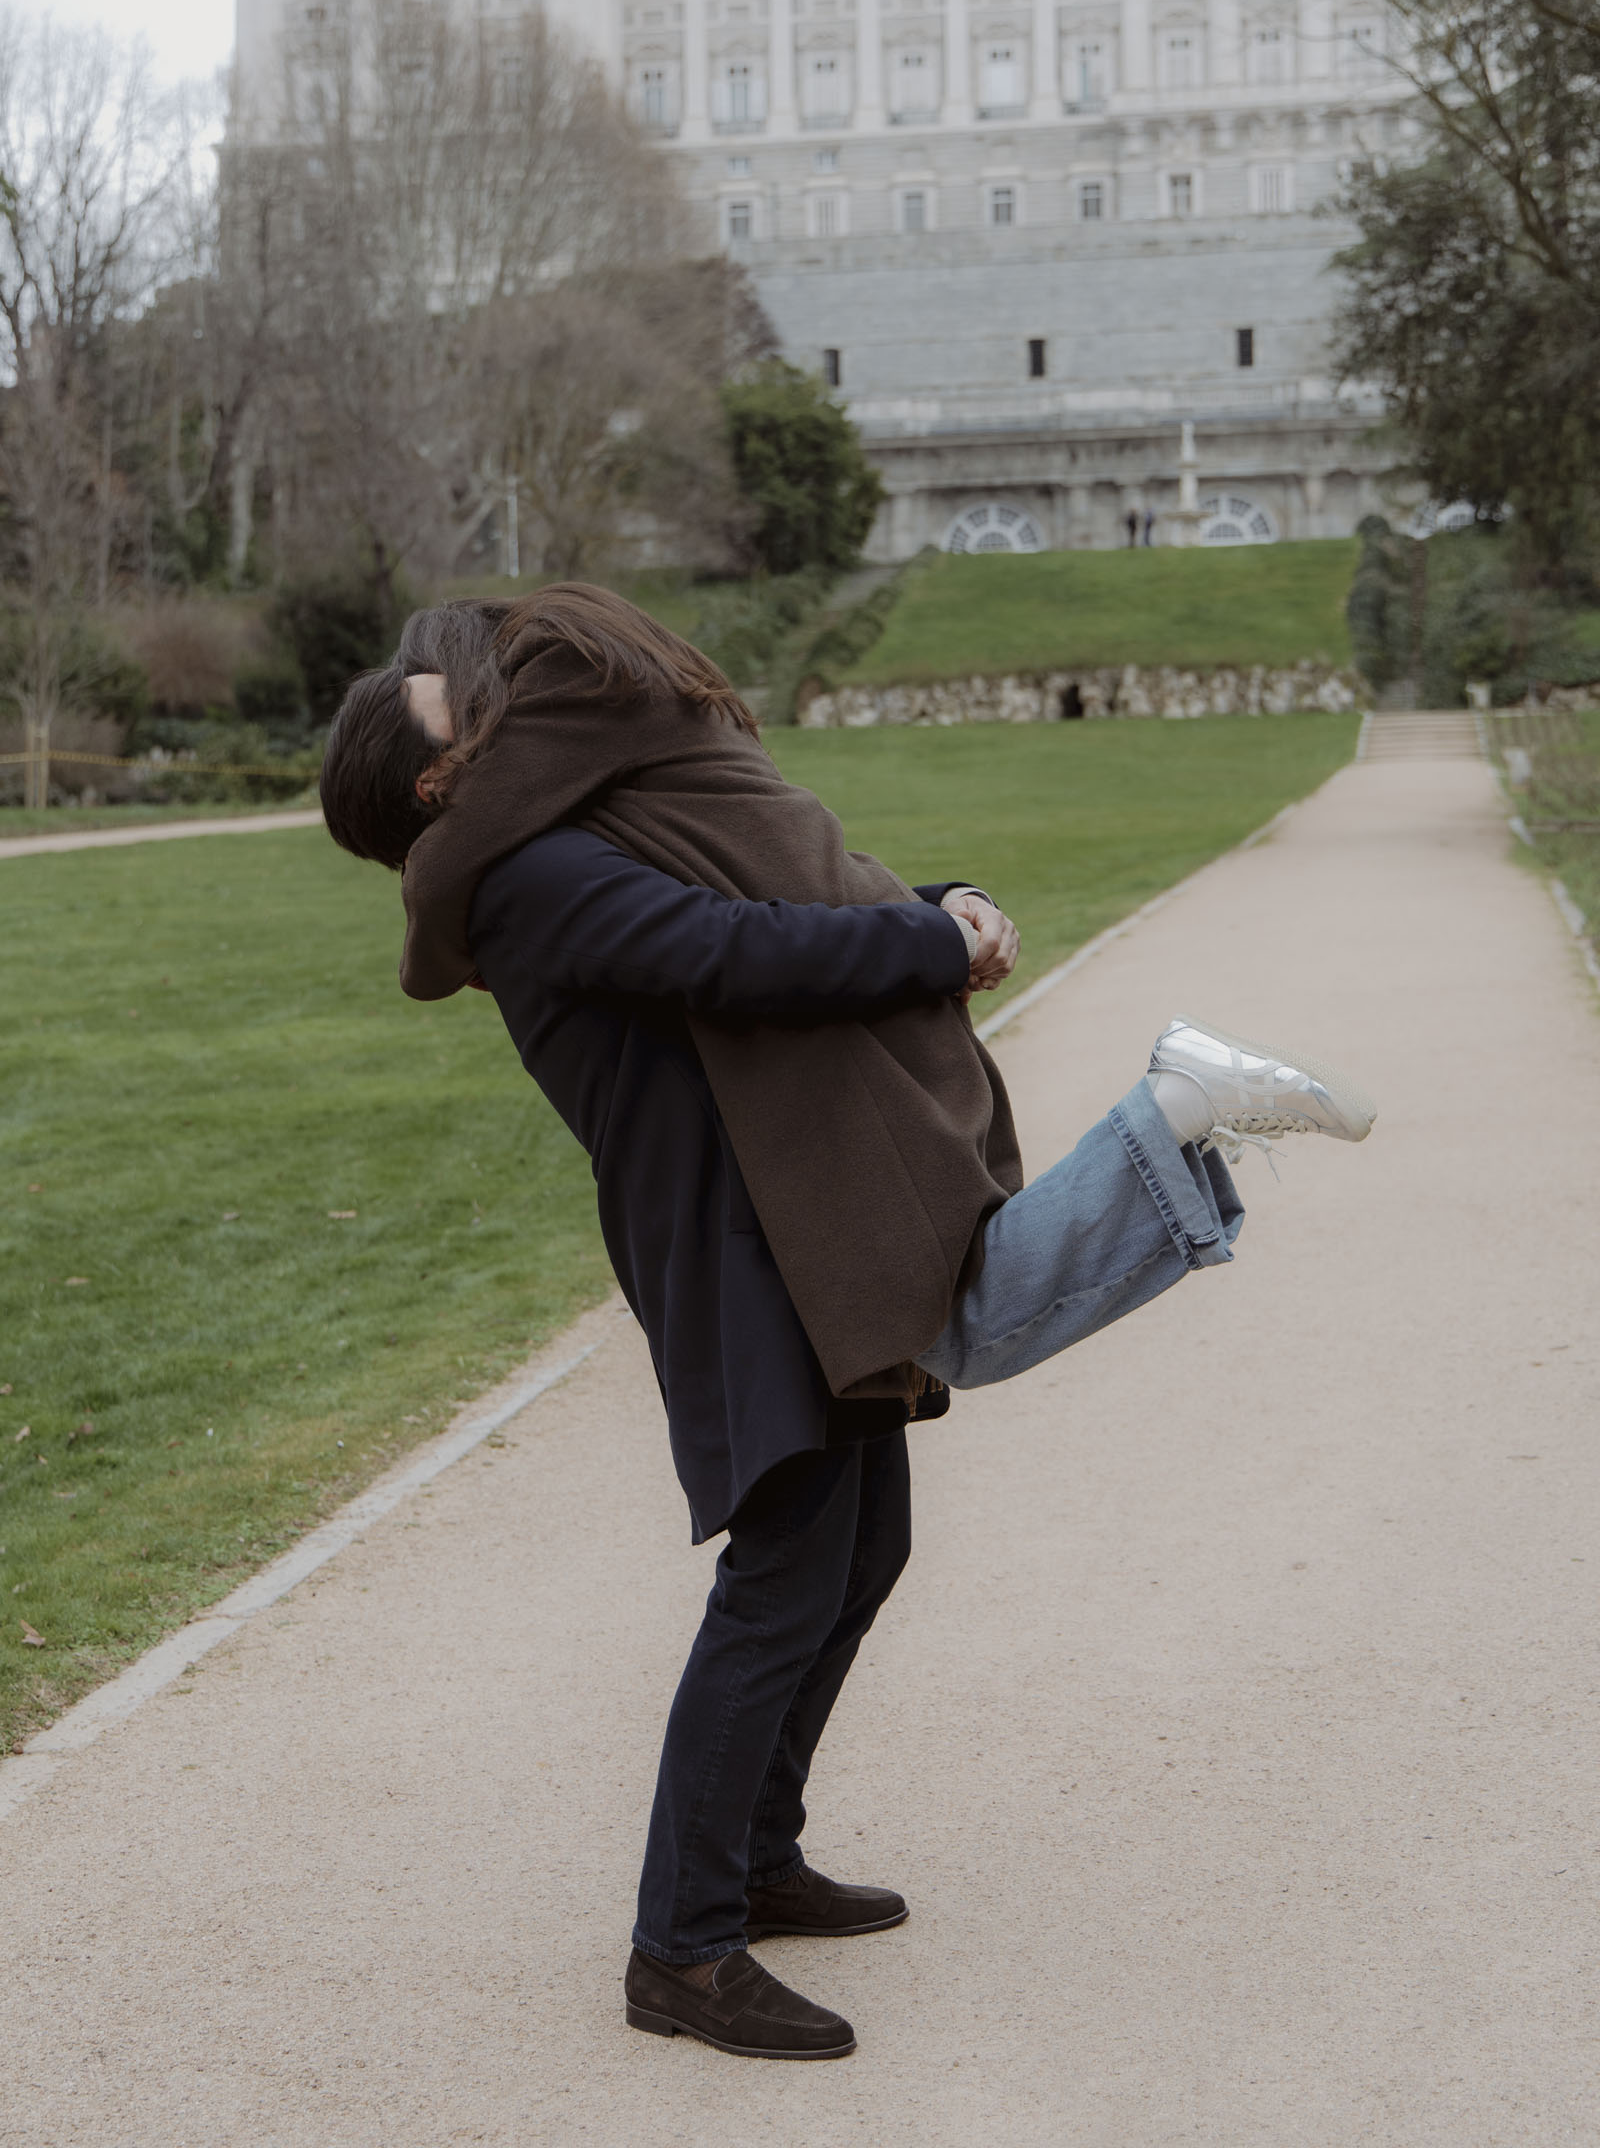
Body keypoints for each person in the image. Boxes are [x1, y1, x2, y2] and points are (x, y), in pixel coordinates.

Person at [320, 585, 1375, 2063]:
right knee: (784, 1575)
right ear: (432, 780)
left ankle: (755, 1858)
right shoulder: (526, 880)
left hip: (792, 1217)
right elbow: (728, 956)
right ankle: (680, 1952)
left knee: (857, 1552)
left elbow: (767, 907)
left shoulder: (561, 838)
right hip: (740, 1248)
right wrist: (932, 947)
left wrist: (921, 905)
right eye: (457, 708)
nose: (493, 704)